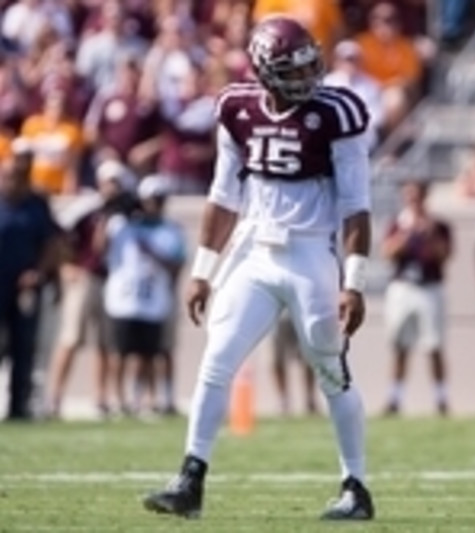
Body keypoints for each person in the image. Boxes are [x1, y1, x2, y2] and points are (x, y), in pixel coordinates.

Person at [142, 16, 374, 520]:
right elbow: (224, 194)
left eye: (312, 60)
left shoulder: (338, 112)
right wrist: (203, 269)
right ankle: (190, 480)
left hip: (311, 252)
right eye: (296, 67)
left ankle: (356, 486)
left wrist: (354, 283)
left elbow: (357, 204)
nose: (310, 74)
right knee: (216, 359)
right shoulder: (236, 107)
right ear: (266, 71)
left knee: (331, 370)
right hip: (253, 251)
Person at [47, 160, 132, 419]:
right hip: (86, 276)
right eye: (108, 182)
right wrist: (66, 265)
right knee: (71, 338)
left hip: (113, 280)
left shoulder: (124, 213)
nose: (111, 188)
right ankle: (55, 397)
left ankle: (101, 397)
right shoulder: (87, 208)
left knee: (106, 343)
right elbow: (60, 234)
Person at [98, 175, 185, 416]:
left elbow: (177, 265)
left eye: (159, 200)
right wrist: (108, 212)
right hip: (123, 298)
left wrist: (154, 254)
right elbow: (99, 250)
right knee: (119, 352)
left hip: (153, 300)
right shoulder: (121, 225)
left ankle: (140, 398)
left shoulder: (171, 229)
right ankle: (118, 400)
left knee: (148, 354)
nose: (154, 205)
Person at [0, 141, 60, 420]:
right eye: (9, 175)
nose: (13, 181)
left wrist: (38, 272)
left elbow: (51, 242)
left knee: (23, 346)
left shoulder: (36, 203)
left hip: (24, 286)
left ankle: (19, 407)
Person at [381, 181, 452, 416]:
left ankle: (441, 399)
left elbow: (444, 256)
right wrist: (407, 234)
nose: (413, 201)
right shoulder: (398, 223)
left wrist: (429, 234)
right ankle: (394, 398)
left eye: (416, 196)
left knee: (433, 345)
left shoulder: (438, 225)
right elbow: (387, 253)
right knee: (400, 345)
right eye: (409, 196)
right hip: (403, 286)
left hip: (429, 287)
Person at [271, 310, 317, 416]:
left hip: (302, 315)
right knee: (278, 359)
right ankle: (283, 400)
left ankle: (310, 399)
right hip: (279, 316)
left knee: (308, 359)